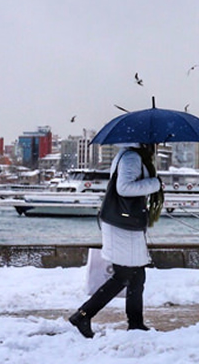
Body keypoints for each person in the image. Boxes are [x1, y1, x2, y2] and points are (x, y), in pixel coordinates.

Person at [69, 143, 163, 338]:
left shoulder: (130, 155)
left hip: (126, 223)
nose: (155, 145)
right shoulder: (132, 158)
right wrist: (155, 183)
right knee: (124, 275)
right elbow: (124, 188)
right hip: (123, 225)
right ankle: (83, 315)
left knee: (137, 275)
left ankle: (136, 323)